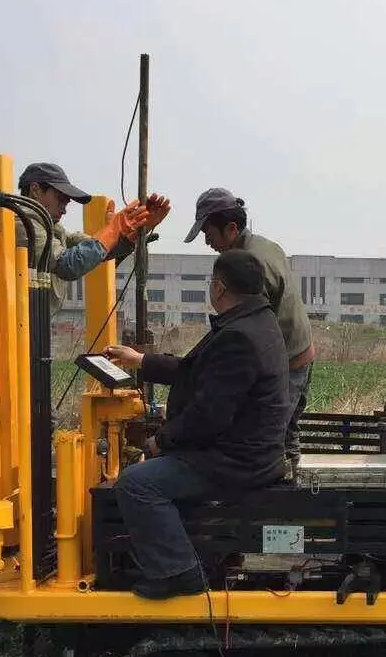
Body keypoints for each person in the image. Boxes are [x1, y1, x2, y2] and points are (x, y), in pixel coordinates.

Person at [0, 162, 169, 499]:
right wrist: (113, 230)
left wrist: (130, 233)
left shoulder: (51, 229)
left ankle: (21, 498)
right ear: (35, 190)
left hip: (16, 336)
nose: (65, 206)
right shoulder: (19, 221)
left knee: (26, 420)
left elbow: (92, 252)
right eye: (60, 197)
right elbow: (68, 264)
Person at [102, 248, 290, 599]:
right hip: (247, 451)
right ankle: (196, 554)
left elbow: (209, 416)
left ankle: (177, 572)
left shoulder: (238, 336)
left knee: (137, 484)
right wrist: (140, 360)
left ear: (218, 287)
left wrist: (162, 441)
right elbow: (200, 372)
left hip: (235, 461)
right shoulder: (258, 323)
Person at [184, 188, 314, 480]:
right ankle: (290, 496)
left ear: (231, 229)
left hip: (288, 360)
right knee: (285, 438)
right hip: (298, 352)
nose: (208, 243)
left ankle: (276, 510)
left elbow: (247, 328)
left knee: (269, 443)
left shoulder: (251, 267)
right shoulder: (263, 246)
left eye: (209, 234)